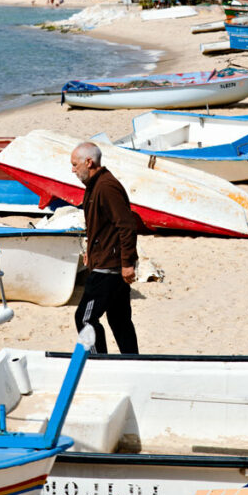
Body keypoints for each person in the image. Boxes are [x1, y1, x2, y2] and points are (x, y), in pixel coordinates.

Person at [70, 142, 139, 354]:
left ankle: (98, 360)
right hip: (105, 262)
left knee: (85, 318)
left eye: (75, 164)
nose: (72, 170)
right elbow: (99, 226)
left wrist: (127, 263)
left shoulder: (106, 187)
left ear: (89, 162)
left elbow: (126, 225)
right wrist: (89, 252)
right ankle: (133, 360)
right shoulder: (94, 186)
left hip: (108, 267)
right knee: (119, 318)